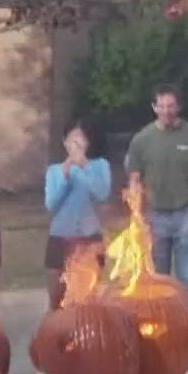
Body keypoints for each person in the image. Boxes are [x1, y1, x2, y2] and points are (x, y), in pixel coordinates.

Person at [123, 84, 188, 311]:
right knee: (157, 282)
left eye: (170, 106)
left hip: (187, 214)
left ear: (179, 107)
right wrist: (137, 218)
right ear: (153, 107)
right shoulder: (141, 140)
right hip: (155, 216)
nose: (166, 111)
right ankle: (161, 337)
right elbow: (134, 180)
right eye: (161, 106)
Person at [42, 120, 113, 309]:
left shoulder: (100, 166)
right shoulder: (54, 171)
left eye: (80, 138)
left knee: (90, 298)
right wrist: (65, 177)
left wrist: (85, 166)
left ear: (88, 143)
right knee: (57, 297)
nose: (76, 143)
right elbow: (51, 204)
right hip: (60, 236)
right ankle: (55, 334)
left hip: (90, 238)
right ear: (64, 142)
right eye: (72, 139)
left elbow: (102, 193)